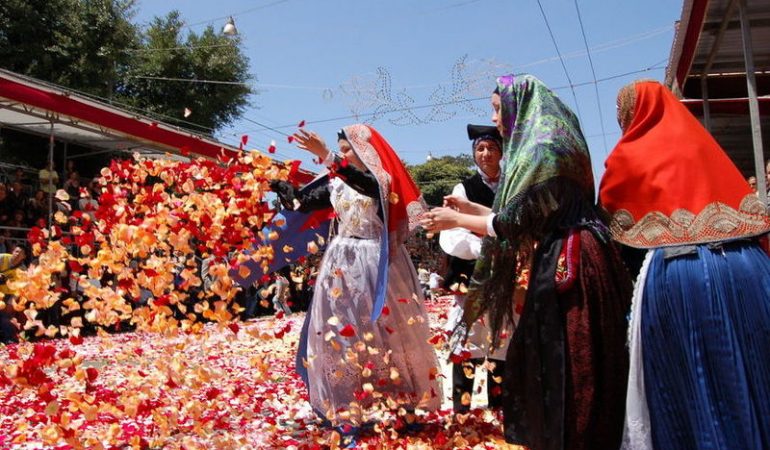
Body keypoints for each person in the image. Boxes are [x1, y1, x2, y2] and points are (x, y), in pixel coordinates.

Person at [423, 74, 632, 450]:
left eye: (498, 109)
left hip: (569, 261)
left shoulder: (541, 152)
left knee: (567, 358)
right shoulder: (556, 141)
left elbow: (512, 223)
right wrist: (472, 209)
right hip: (581, 252)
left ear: (520, 106)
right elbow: (534, 214)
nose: (496, 118)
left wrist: (457, 221)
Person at [600, 80, 770, 450]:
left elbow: (614, 222)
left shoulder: (627, 156)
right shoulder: (704, 146)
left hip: (679, 278)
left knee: (690, 384)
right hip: (748, 270)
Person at [272, 125, 441, 446]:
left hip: (377, 262)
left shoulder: (379, 182)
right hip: (341, 264)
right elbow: (303, 203)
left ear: (366, 152)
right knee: (340, 337)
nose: (344, 154)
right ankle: (346, 411)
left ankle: (405, 407)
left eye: (347, 149)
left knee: (390, 334)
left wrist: (326, 155)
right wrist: (282, 188)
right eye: (341, 150)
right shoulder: (337, 181)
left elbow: (364, 185)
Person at [439, 124, 509, 413]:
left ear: (501, 153)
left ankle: (498, 407)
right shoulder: (463, 189)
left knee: (501, 338)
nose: (485, 154)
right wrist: (486, 248)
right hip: (472, 275)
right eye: (480, 149)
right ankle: (462, 409)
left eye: (491, 148)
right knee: (467, 338)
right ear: (473, 154)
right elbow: (453, 232)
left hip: (507, 275)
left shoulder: (512, 184)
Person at [0, 245, 27, 343]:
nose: (17, 254)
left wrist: (13, 300)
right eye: (16, 251)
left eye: (20, 254)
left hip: (10, 295)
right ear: (12, 251)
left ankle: (9, 338)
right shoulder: (2, 258)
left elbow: (22, 288)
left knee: (7, 313)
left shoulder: (23, 269)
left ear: (24, 257)